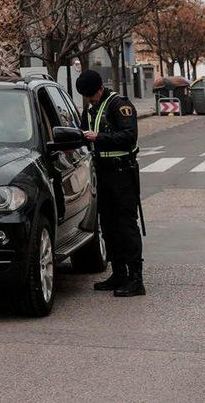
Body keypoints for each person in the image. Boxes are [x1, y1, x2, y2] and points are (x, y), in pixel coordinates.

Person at [78, 69, 144, 297]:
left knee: (126, 225)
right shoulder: (91, 108)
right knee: (108, 225)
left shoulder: (119, 105)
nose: (89, 100)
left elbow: (129, 137)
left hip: (122, 172)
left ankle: (136, 279)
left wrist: (99, 138)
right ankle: (118, 274)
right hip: (101, 173)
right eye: (86, 97)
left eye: (91, 95)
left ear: (99, 89)